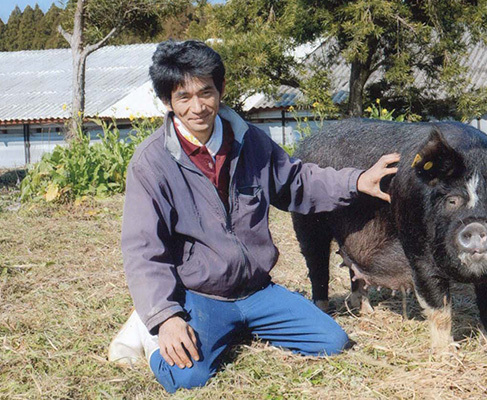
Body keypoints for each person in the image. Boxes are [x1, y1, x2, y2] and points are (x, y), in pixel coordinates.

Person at [107, 39, 400, 393]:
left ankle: (238, 324)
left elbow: (297, 181)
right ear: (168, 101)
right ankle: (146, 325)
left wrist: (357, 180)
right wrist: (165, 318)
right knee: (188, 378)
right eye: (183, 97)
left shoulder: (250, 142)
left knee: (332, 342)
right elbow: (142, 249)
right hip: (201, 293)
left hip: (257, 291)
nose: (198, 107)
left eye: (206, 92)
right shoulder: (151, 162)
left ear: (221, 90)